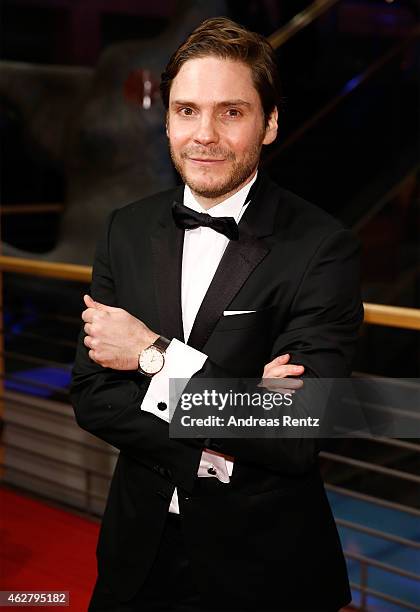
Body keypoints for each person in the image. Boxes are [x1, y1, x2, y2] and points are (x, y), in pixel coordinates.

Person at [70, 17, 363, 612]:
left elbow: (297, 430)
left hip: (264, 566)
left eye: (230, 112)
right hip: (138, 551)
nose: (203, 134)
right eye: (186, 111)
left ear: (270, 121)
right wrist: (227, 435)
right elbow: (95, 395)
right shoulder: (124, 229)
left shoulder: (322, 246)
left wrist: (153, 354)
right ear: (168, 117)